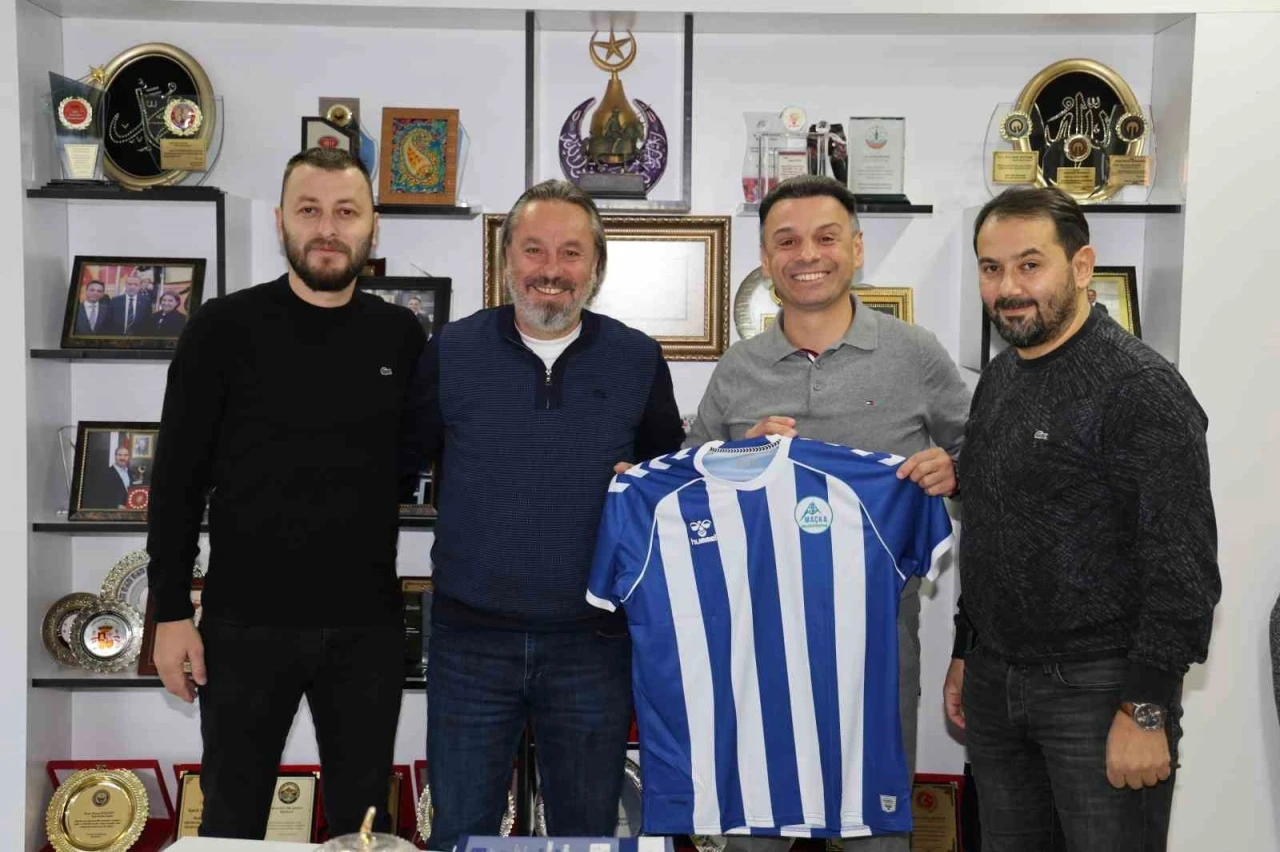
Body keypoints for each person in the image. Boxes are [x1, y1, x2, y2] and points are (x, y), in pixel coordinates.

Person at [145, 147, 426, 839]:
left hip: (366, 629)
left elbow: (425, 457)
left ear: (373, 227)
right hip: (244, 626)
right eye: (309, 210)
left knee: (362, 828)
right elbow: (176, 480)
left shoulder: (401, 335)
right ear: (280, 222)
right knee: (232, 824)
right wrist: (171, 613)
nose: (327, 228)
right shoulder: (221, 329)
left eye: (346, 212)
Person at [683, 175, 970, 852]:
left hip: (878, 646)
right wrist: (736, 457)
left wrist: (955, 474)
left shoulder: (916, 353)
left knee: (873, 830)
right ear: (765, 258)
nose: (807, 254)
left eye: (826, 237)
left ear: (857, 248)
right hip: (754, 647)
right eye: (786, 241)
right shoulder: (738, 369)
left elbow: (983, 463)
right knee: (753, 829)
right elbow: (691, 491)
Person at [404, 179, 685, 851]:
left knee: (585, 833)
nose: (551, 270)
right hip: (470, 643)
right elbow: (399, 461)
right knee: (460, 833)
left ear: (596, 266)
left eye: (570, 252)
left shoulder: (637, 358)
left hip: (593, 645)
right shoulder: (452, 350)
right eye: (533, 249)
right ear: (505, 259)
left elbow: (668, 490)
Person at [945, 186, 1220, 851]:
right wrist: (965, 650)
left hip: (1100, 696)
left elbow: (1182, 565)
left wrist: (1146, 707)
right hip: (995, 684)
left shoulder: (1140, 388)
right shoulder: (1000, 378)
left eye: (1029, 264)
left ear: (1082, 265)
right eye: (991, 268)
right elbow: (994, 526)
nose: (1008, 287)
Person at [82, 442, 135, 509]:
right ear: (115, 456)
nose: (122, 458)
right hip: (113, 511)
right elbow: (98, 496)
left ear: (128, 457)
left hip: (129, 510)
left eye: (125, 455)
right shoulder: (104, 473)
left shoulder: (130, 473)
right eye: (119, 455)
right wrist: (116, 506)